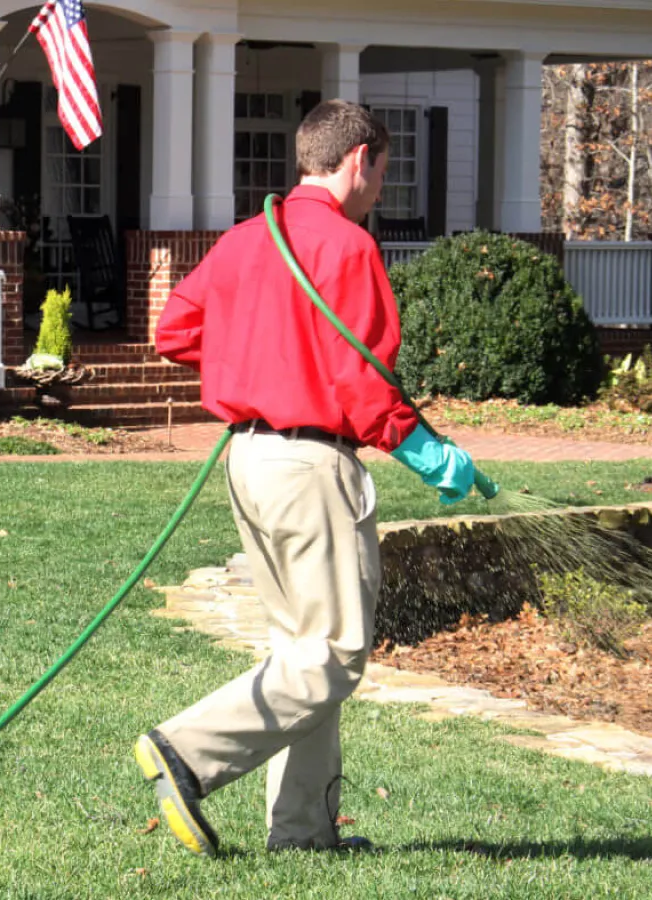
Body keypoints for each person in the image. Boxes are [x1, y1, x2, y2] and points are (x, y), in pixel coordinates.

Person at [133, 99, 477, 857]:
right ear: (358, 161)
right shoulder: (350, 249)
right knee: (337, 652)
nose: (381, 190)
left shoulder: (245, 239)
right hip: (310, 463)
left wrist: (256, 360)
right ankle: (186, 751)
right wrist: (429, 453)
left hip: (248, 461)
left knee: (300, 649)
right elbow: (363, 381)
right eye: (383, 173)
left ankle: (303, 834)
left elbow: (173, 332)